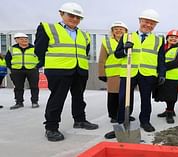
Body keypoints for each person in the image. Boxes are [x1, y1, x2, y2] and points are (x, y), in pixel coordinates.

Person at [34, 2, 98, 142]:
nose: (74, 19)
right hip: (58, 70)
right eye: (71, 15)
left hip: (79, 70)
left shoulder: (84, 34)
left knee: (79, 98)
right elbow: (39, 50)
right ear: (61, 13)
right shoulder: (48, 28)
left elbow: (84, 52)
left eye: (78, 17)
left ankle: (80, 120)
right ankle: (51, 127)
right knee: (57, 99)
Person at [109, 9, 165, 135]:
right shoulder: (127, 36)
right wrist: (124, 49)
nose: (149, 25)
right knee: (124, 99)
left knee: (146, 99)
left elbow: (161, 59)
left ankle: (145, 121)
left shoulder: (159, 40)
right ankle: (122, 123)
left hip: (148, 74)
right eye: (146, 22)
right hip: (129, 73)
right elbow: (117, 55)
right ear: (140, 21)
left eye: (152, 23)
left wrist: (162, 74)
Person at [98, 21, 135, 123]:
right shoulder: (107, 42)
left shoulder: (131, 41)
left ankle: (127, 114)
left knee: (127, 95)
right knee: (113, 95)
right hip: (113, 73)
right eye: (116, 29)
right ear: (112, 31)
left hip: (128, 73)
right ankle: (114, 115)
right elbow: (102, 58)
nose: (118, 31)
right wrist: (101, 73)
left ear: (125, 31)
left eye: (121, 29)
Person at [154, 29, 178, 124]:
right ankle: (168, 110)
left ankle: (170, 114)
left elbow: (177, 62)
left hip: (172, 77)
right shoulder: (162, 48)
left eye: (176, 38)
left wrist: (161, 68)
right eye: (171, 37)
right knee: (164, 95)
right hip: (162, 76)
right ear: (167, 38)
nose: (173, 39)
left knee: (171, 96)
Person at [5, 33, 40, 110]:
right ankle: (19, 102)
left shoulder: (34, 48)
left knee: (34, 86)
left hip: (32, 70)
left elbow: (41, 58)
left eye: (26, 39)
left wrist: (37, 66)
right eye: (21, 39)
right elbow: (7, 59)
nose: (24, 40)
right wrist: (12, 68)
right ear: (16, 40)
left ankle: (34, 102)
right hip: (17, 70)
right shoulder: (12, 49)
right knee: (18, 87)